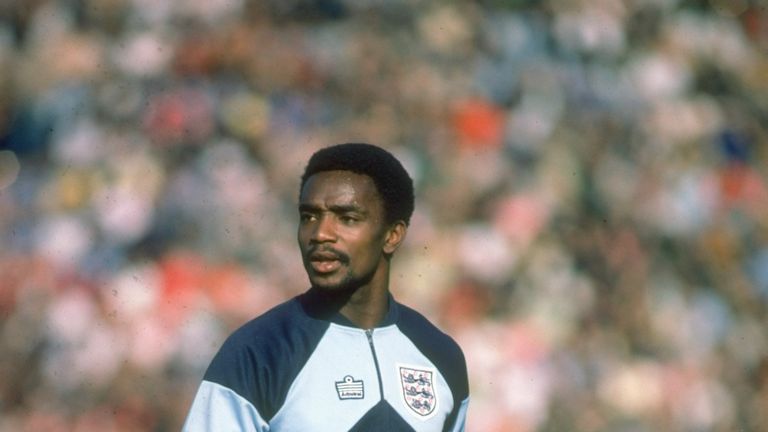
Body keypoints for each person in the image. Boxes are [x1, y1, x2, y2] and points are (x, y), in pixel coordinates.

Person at [183, 143, 469, 431]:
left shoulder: (440, 354)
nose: (320, 234)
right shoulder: (260, 351)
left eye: (347, 218)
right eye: (309, 216)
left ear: (392, 235)